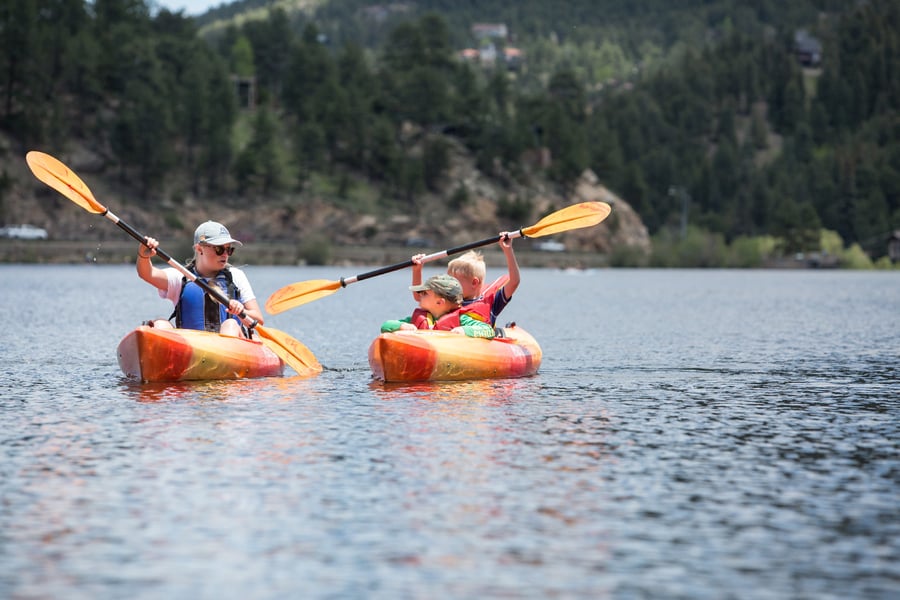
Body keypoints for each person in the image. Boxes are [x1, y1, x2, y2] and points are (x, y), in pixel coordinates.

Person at [136, 221, 264, 338]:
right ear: (199, 249)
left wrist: (241, 311)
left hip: (231, 348)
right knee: (160, 325)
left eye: (229, 249)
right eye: (219, 249)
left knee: (230, 324)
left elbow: (259, 319)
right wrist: (143, 255)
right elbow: (147, 274)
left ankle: (223, 359)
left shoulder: (236, 276)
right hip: (191, 349)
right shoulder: (181, 277)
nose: (225, 254)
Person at [411, 232, 520, 326]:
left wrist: (508, 250)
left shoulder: (493, 302)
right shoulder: (448, 297)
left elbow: (514, 281)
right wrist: (417, 270)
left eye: (454, 281)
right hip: (448, 339)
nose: (449, 284)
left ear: (474, 283)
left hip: (476, 340)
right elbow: (419, 297)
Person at [381, 274, 495, 338]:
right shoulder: (415, 320)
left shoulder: (462, 319)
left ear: (440, 302)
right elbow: (385, 326)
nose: (419, 295)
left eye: (425, 293)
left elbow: (488, 330)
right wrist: (402, 326)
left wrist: (464, 330)